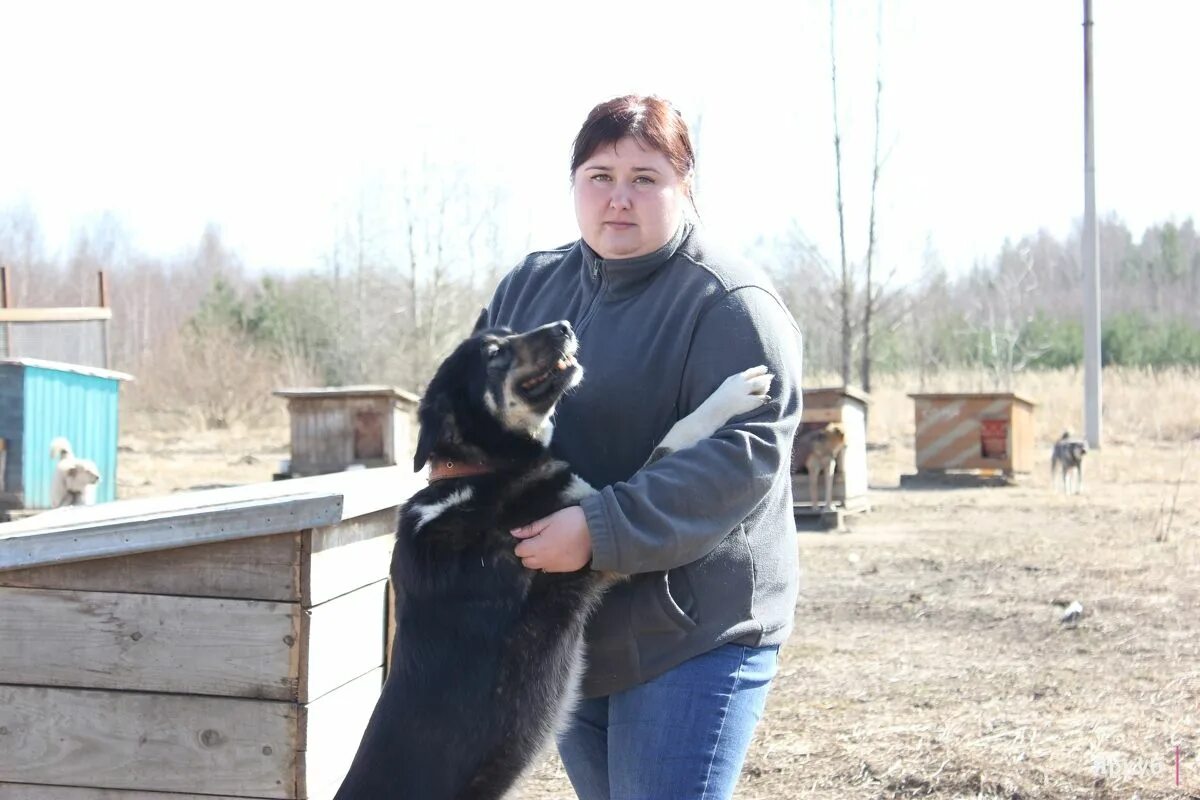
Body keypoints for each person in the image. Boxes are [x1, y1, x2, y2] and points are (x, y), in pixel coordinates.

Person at [484, 94, 804, 800]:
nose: (618, 199)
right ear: (574, 184)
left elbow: (739, 459)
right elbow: (473, 414)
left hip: (691, 630)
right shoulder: (529, 289)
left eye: (644, 178)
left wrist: (597, 531)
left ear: (684, 186)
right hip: (569, 622)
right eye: (600, 176)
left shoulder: (728, 302)